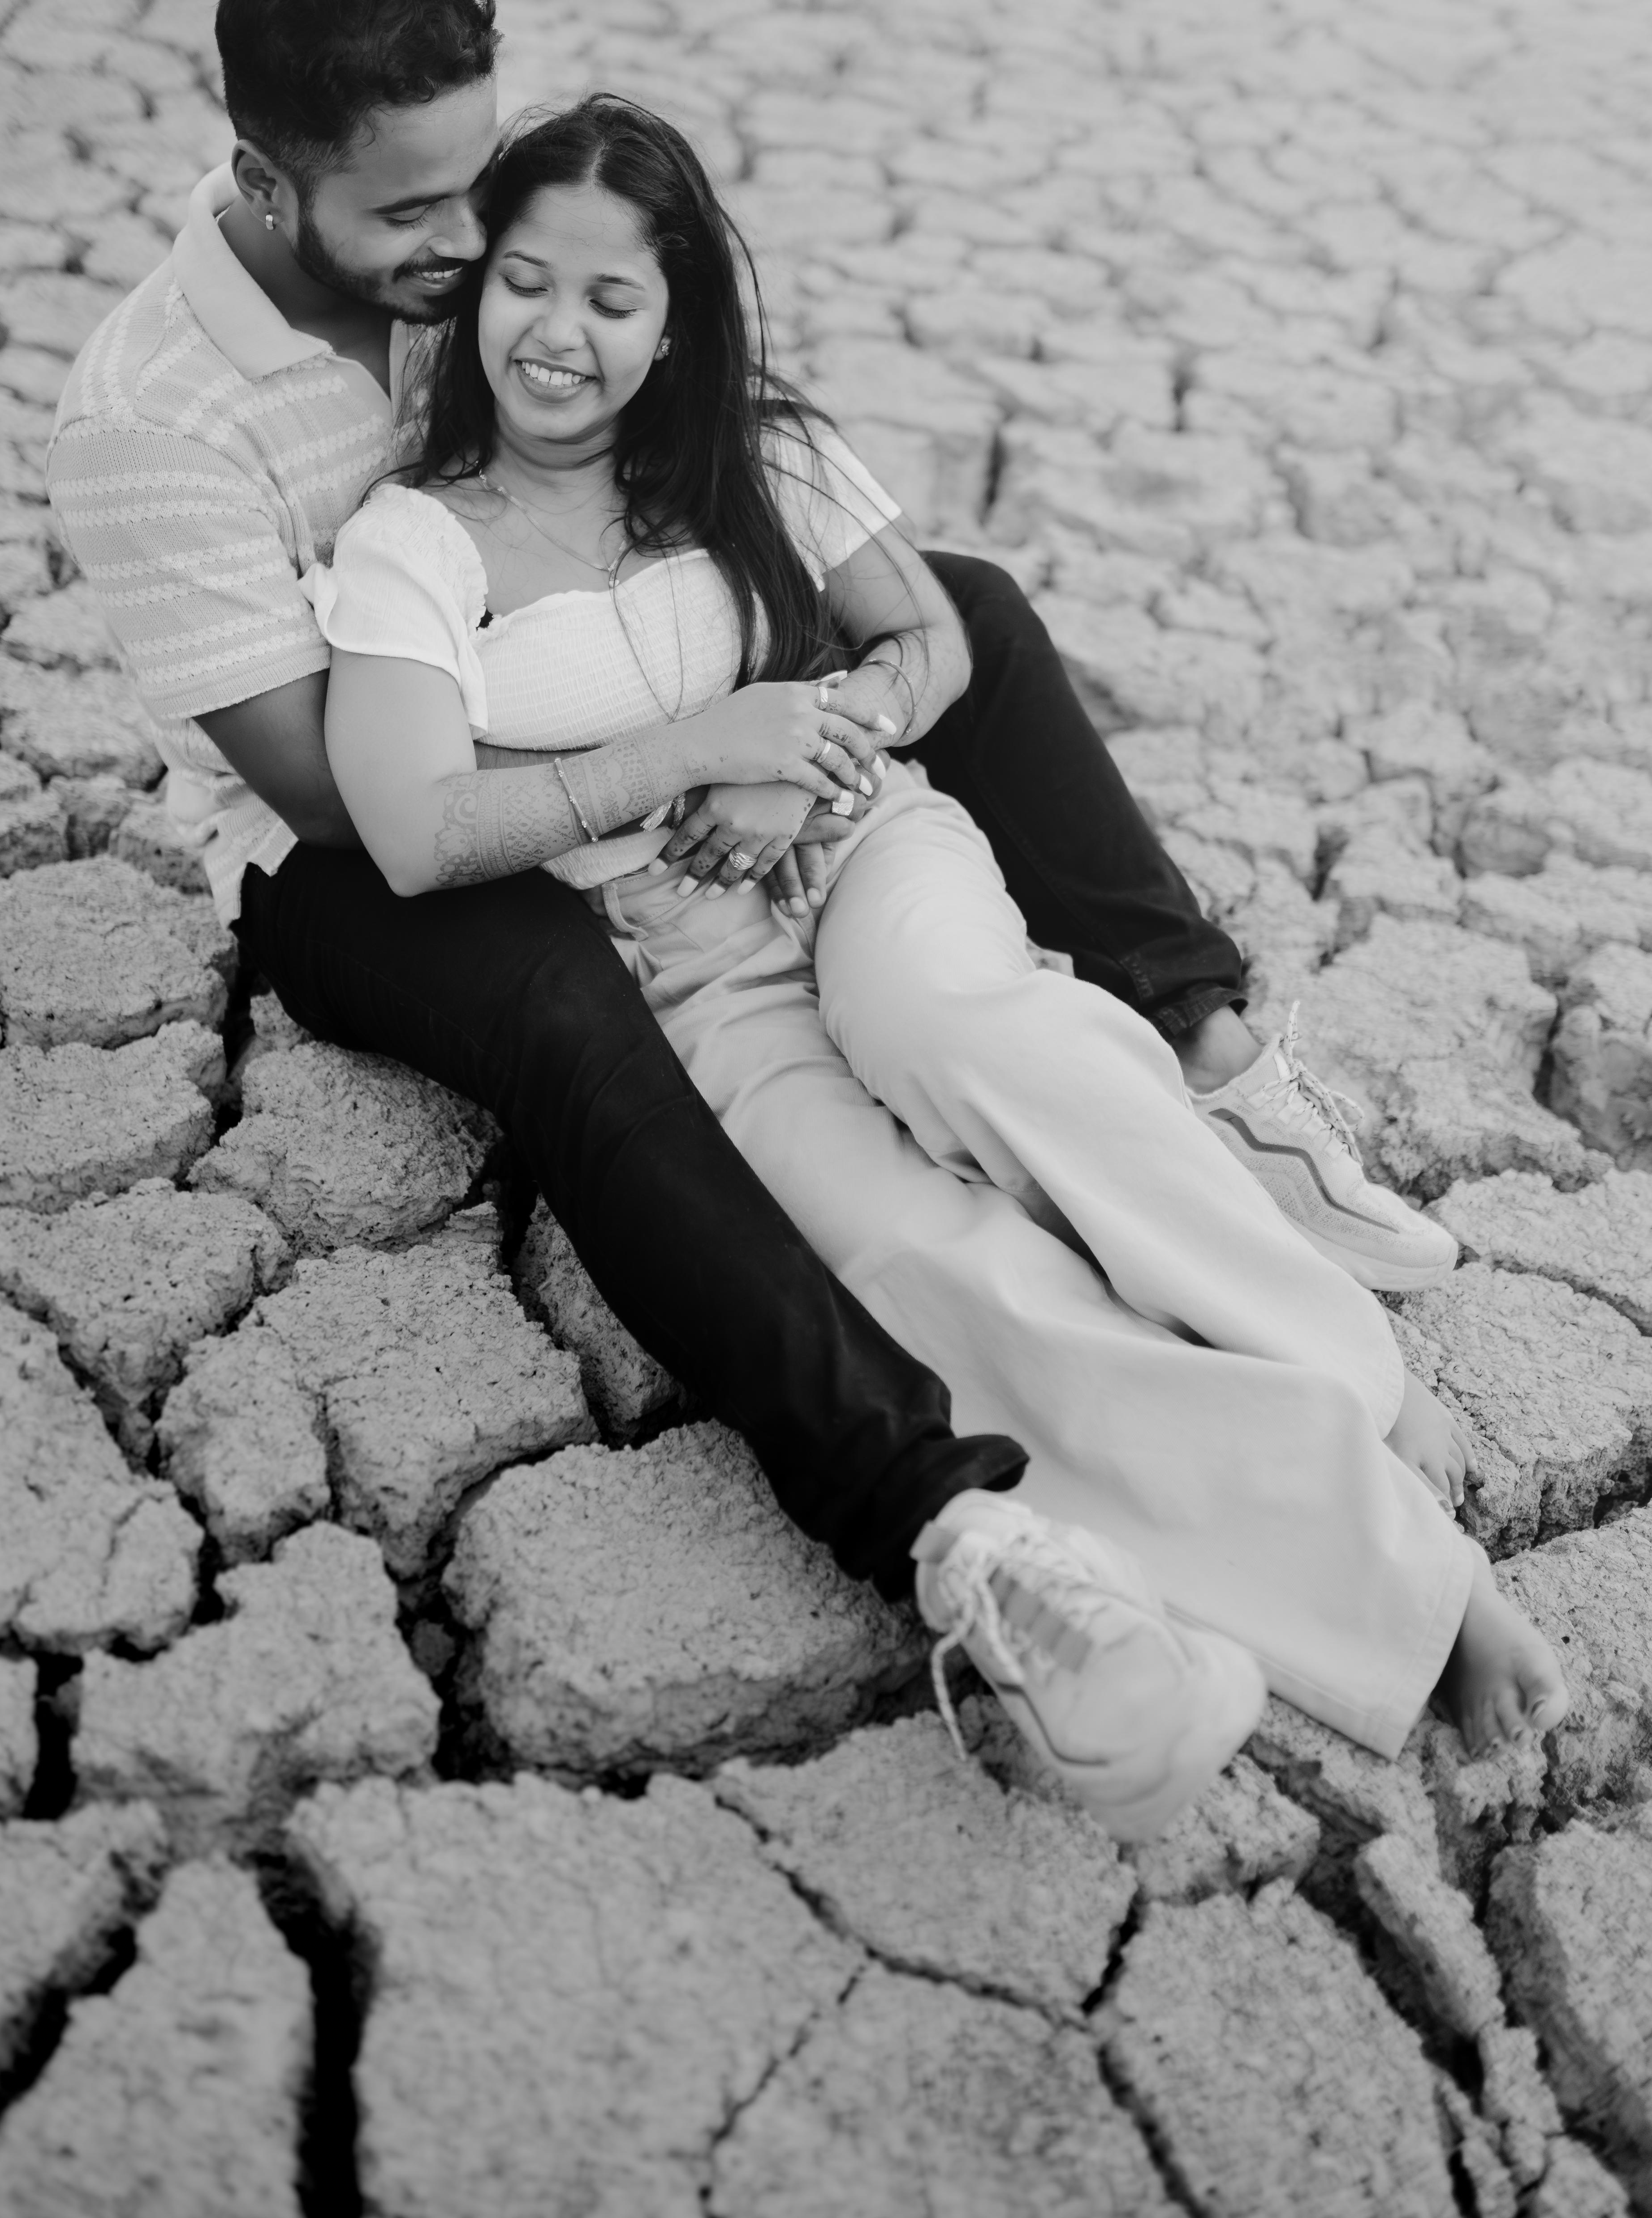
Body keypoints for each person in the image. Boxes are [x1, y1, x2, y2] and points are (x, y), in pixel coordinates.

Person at [43, 0, 1456, 1841]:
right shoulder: (153, 420)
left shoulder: (513, 271)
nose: (474, 253)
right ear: (272, 179)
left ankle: (1209, 1042)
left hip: (633, 722)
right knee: (567, 1007)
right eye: (423, 219)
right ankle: (947, 1531)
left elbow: (704, 446)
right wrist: (710, 739)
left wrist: (801, 727)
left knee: (961, 610)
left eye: (488, 180)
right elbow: (371, 807)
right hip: (352, 855)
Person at [306, 88, 1570, 1795]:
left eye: (614, 301)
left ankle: (1332, 1357)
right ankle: (1399, 1577)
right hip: (677, 963)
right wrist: (700, 746)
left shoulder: (752, 448)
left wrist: (813, 740)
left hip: (854, 844)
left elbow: (933, 635)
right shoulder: (417, 539)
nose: (561, 335)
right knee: (911, 1254)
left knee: (974, 1035)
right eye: (528, 284)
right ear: (480, 295)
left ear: (674, 322)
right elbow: (413, 823)